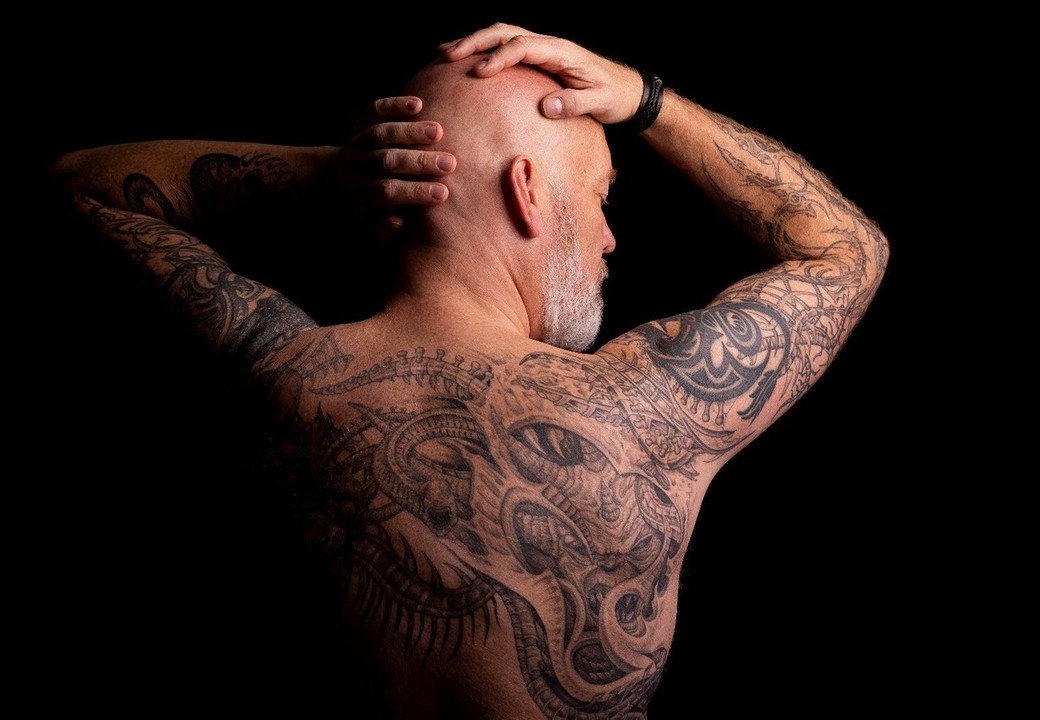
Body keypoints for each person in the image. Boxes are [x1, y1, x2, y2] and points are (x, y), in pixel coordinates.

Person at [51, 22, 888, 719]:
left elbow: (78, 187)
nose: (609, 238)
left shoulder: (275, 375)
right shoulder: (643, 414)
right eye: (599, 197)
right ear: (529, 190)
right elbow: (846, 250)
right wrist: (645, 99)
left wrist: (329, 173)